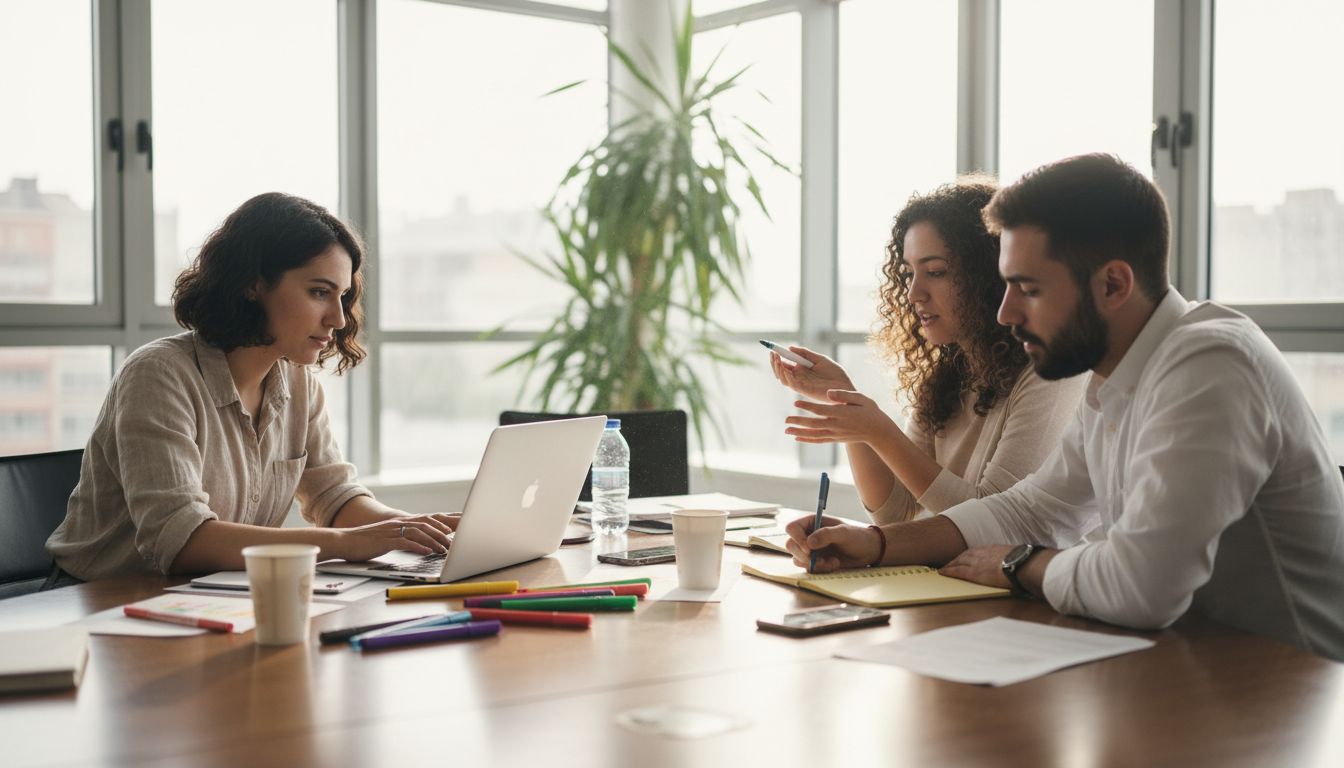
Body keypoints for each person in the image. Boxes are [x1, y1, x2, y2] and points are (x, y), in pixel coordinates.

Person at [786, 154, 1344, 659]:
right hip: (1196, 670)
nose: (1003, 313)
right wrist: (877, 544)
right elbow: (1031, 510)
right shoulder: (1114, 375)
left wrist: (1016, 565)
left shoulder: (1211, 366)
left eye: (1027, 288)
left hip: (1292, 692)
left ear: (1113, 284)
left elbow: (1143, 586)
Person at [46, 193, 455, 582]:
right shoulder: (158, 375)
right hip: (95, 604)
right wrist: (344, 544)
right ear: (252, 285)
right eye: (318, 292)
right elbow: (181, 539)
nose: (338, 318)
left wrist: (416, 528)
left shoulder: (298, 383)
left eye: (342, 296)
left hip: (206, 597)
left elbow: (335, 496)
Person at [769, 177, 1084, 524]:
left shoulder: (1048, 373)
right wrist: (846, 400)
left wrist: (880, 431)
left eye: (935, 271)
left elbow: (994, 522)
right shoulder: (947, 376)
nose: (913, 293)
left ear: (989, 275)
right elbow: (895, 513)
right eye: (908, 274)